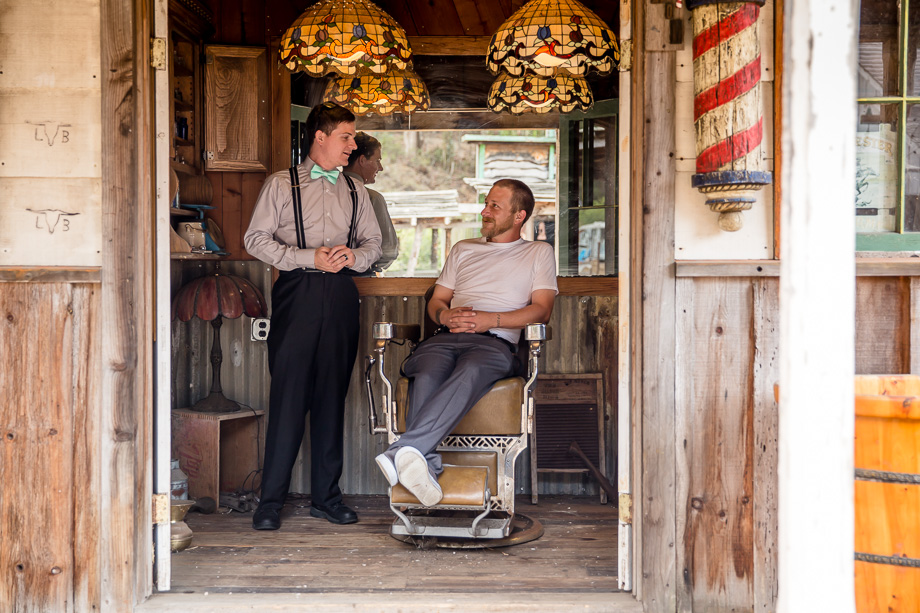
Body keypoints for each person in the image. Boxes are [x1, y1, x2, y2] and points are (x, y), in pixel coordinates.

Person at [374, 179, 557, 506]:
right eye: (486, 204)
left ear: (519, 216)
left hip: (494, 343)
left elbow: (541, 310)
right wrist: (444, 316)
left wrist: (491, 320)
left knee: (471, 370)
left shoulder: (538, 252)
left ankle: (402, 451)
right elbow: (438, 300)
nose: (485, 211)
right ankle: (421, 463)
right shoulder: (463, 249)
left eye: (495, 206)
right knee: (427, 373)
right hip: (446, 338)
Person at [244, 102, 382, 530]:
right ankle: (270, 503)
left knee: (331, 398)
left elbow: (374, 245)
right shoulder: (280, 184)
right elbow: (255, 239)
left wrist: (354, 256)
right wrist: (307, 257)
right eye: (346, 137)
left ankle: (327, 498)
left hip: (341, 294)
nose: (352, 145)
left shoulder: (356, 190)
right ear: (320, 137)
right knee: (288, 397)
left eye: (353, 137)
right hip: (296, 291)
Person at [343, 132, 398, 274]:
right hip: (362, 278)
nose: (381, 167)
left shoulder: (324, 193)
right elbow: (388, 250)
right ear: (362, 160)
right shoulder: (372, 198)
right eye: (377, 160)